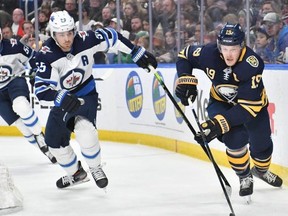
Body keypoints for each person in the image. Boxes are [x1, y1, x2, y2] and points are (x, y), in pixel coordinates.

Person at [33, 10, 157, 189]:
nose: (67, 38)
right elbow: (42, 90)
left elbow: (112, 36)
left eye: (69, 33)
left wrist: (135, 52)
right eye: (61, 35)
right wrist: (60, 97)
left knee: (85, 130)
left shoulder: (86, 39)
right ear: (53, 34)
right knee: (53, 142)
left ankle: (95, 167)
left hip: (86, 93)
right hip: (63, 100)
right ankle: (77, 174)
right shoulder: (46, 55)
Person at [174, 23, 282, 200]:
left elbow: (248, 109)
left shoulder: (251, 64)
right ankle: (244, 176)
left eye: (233, 49)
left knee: (262, 148)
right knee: (235, 138)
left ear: (242, 46)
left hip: (253, 107)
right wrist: (185, 79)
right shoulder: (208, 53)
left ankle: (261, 171)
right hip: (220, 103)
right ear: (219, 46)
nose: (228, 54)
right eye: (225, 48)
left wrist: (217, 124)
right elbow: (184, 55)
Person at [0, 28, 56, 164]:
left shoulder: (13, 45)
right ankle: (46, 151)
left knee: (21, 106)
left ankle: (38, 134)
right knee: (21, 126)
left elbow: (32, 57)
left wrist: (34, 73)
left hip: (15, 82)